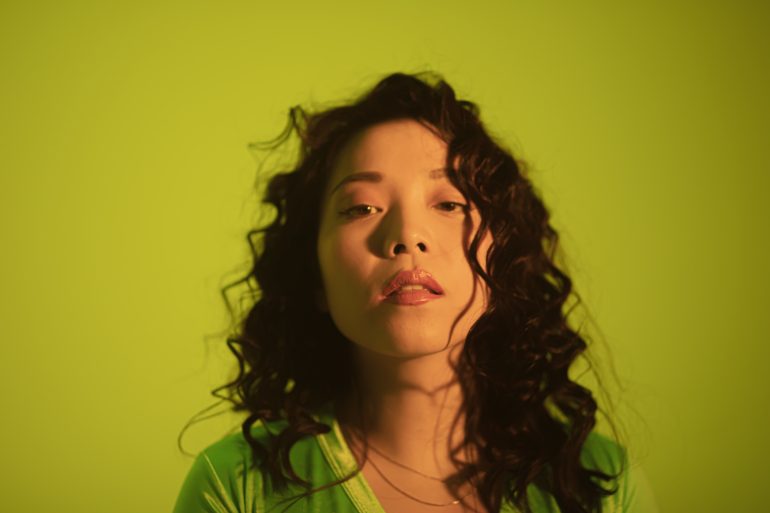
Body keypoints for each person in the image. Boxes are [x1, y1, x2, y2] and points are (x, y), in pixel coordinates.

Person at [172, 71, 658, 513]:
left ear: (503, 258)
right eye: (362, 208)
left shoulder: (599, 484)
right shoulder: (236, 486)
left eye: (449, 203)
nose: (407, 235)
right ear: (314, 274)